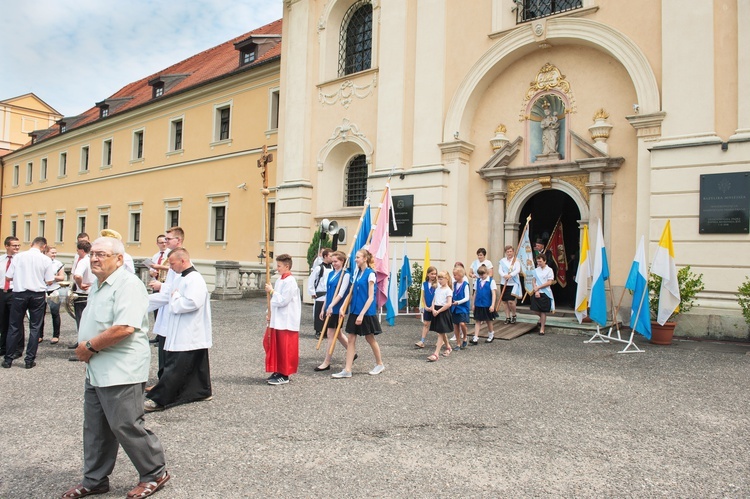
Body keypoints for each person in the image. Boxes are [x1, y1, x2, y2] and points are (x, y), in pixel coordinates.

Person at [61, 236, 169, 499]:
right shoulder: (99, 284)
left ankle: (154, 472)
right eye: (93, 254)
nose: (95, 259)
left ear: (119, 259)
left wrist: (89, 347)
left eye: (102, 254)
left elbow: (124, 327)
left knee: (126, 424)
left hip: (121, 367)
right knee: (96, 427)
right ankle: (95, 479)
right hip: (98, 366)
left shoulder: (128, 284)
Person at [144, 248, 212, 412]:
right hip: (184, 329)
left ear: (183, 261)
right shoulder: (181, 278)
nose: (171, 267)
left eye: (173, 263)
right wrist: (140, 302)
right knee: (196, 365)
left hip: (189, 330)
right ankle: (201, 391)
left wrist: (175, 297)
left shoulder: (195, 279)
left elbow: (192, 303)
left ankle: (160, 399)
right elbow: (166, 296)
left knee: (175, 367)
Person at [1, 237, 55, 369]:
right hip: (37, 294)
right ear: (43, 247)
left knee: (14, 326)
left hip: (20, 293)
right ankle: (29, 360)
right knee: (35, 327)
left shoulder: (18, 257)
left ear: (31, 244)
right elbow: (49, 280)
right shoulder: (46, 259)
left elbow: (8, 276)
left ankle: (8, 359)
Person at [332, 249, 385, 378]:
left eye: (358, 257)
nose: (356, 259)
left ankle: (380, 364)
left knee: (369, 338)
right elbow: (351, 293)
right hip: (355, 310)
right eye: (355, 257)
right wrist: (343, 307)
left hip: (366, 312)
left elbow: (371, 297)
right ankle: (347, 369)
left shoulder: (371, 274)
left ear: (365, 259)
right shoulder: (356, 274)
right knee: (351, 339)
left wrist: (362, 314)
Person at [147, 227, 185, 384]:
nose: (166, 241)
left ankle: (166, 382)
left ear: (179, 240)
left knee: (169, 350)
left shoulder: (181, 261)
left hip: (173, 310)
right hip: (165, 306)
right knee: (163, 348)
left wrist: (160, 286)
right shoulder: (171, 258)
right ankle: (163, 380)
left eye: (169, 239)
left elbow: (179, 288)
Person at [263, 254, 301, 385]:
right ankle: (278, 369)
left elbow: (284, 300)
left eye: (279, 266)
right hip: (277, 319)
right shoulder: (280, 280)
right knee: (276, 346)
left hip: (287, 321)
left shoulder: (291, 281)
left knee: (285, 348)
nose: (277, 268)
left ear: (287, 266)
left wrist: (272, 291)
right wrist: (269, 312)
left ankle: (285, 374)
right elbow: (274, 301)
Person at [315, 251, 352, 372]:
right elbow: (328, 292)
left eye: (336, 261)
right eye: (333, 261)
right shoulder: (331, 274)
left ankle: (327, 361)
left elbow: (341, 293)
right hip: (330, 306)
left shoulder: (345, 275)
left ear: (342, 261)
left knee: (331, 334)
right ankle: (352, 351)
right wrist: (324, 307)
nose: (334, 263)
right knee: (338, 333)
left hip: (337, 308)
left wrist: (331, 306)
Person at [0, 236, 21, 359]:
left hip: (15, 292)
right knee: (3, 321)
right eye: (14, 245)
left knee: (16, 321)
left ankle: (18, 348)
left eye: (18, 245)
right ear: (7, 246)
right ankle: (3, 347)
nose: (17, 247)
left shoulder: (20, 260)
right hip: (2, 291)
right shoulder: (1, 259)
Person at [426, 270, 453, 362]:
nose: (440, 281)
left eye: (441, 279)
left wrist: (438, 311)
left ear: (447, 279)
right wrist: (433, 309)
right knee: (440, 332)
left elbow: (449, 304)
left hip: (443, 312)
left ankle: (436, 354)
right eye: (439, 279)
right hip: (436, 310)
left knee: (440, 333)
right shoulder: (438, 289)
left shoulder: (448, 290)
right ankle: (448, 347)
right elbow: (434, 300)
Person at [41, 246, 66, 344]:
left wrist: (52, 277)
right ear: (46, 252)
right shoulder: (41, 262)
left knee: (55, 313)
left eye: (55, 253)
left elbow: (62, 277)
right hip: (42, 289)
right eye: (52, 252)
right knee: (40, 314)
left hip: (54, 290)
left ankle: (56, 335)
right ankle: (39, 335)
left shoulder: (58, 263)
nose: (54, 255)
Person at [307, 248, 332, 340]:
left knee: (327, 312)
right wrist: (312, 292)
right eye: (330, 256)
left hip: (329, 294)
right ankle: (318, 330)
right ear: (325, 256)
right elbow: (311, 280)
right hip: (320, 293)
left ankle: (326, 330)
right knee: (319, 312)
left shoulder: (333, 268)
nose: (332, 258)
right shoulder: (319, 268)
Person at [471, 265, 498, 344]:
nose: (481, 276)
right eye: (479, 275)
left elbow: (493, 294)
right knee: (478, 320)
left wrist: (492, 305)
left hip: (487, 304)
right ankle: (475, 337)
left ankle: (491, 334)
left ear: (487, 273)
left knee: (488, 320)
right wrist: (473, 304)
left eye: (482, 275)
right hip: (479, 304)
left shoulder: (491, 281)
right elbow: (475, 292)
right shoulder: (478, 281)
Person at [530, 253, 555, 335]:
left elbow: (549, 282)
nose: (539, 263)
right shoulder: (536, 270)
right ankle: (542, 318)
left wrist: (539, 287)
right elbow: (533, 280)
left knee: (543, 311)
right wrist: (536, 289)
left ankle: (542, 328)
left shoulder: (549, 270)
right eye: (538, 261)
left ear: (545, 261)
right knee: (534, 309)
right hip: (537, 292)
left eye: (540, 261)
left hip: (545, 292)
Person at [148, 234, 171, 323]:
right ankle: (158, 334)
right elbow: (151, 270)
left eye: (165, 242)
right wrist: (152, 273)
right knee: (156, 310)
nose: (164, 244)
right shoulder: (155, 256)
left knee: (165, 311)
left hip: (165, 284)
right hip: (156, 283)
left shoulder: (170, 254)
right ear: (157, 244)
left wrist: (159, 266)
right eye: (161, 243)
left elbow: (172, 269)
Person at [497, 245, 522, 324]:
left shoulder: (516, 261)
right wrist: (504, 275)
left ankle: (514, 314)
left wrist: (510, 275)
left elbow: (518, 270)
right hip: (504, 282)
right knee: (505, 301)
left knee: (511, 301)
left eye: (510, 251)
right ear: (505, 253)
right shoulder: (502, 261)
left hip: (513, 283)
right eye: (507, 252)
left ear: (513, 252)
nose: (509, 253)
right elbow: (500, 270)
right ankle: (507, 317)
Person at [414, 266, 437, 348]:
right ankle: (422, 341)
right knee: (426, 324)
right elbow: (423, 296)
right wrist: (426, 306)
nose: (433, 275)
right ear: (428, 274)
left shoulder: (437, 284)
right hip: (427, 307)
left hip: (436, 307)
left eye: (435, 274)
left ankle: (441, 341)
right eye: (432, 274)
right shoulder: (424, 284)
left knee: (439, 325)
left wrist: (432, 306)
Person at [451, 266, 470, 350]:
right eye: (454, 275)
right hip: (455, 307)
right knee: (456, 325)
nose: (454, 277)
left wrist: (458, 302)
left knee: (462, 323)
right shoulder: (454, 284)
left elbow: (467, 297)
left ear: (461, 275)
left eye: (456, 275)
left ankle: (465, 337)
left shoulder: (465, 285)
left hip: (462, 307)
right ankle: (458, 343)